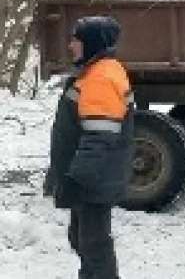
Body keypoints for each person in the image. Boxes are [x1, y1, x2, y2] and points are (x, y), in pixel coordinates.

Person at [44, 16, 134, 279]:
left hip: (94, 179)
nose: (70, 45)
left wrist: (77, 179)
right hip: (91, 176)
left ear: (92, 43)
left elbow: (99, 137)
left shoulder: (101, 78)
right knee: (82, 239)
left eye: (76, 40)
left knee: (94, 244)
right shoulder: (95, 73)